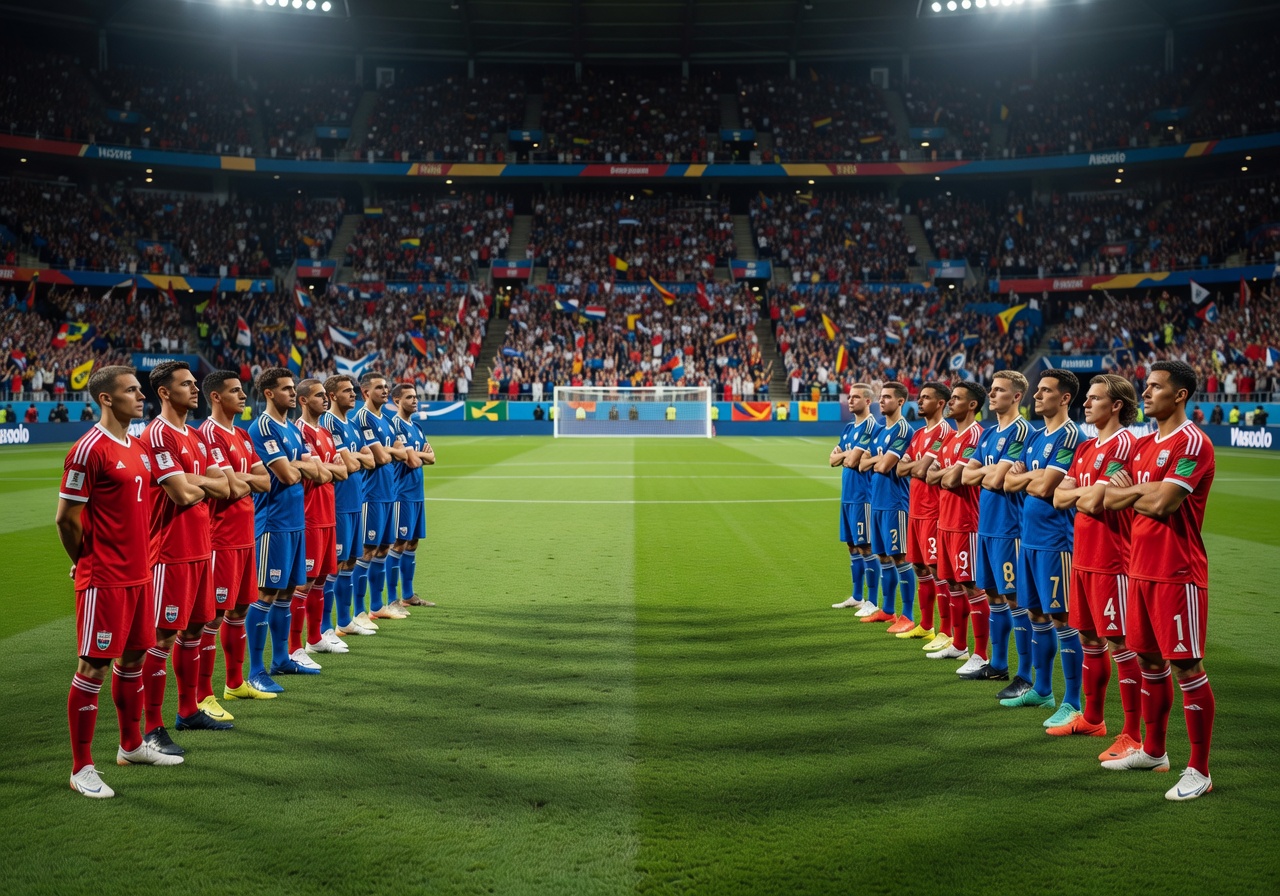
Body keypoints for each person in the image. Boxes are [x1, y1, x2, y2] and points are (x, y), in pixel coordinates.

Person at [58, 366, 182, 799]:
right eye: (131, 390)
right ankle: (81, 767)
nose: (140, 396)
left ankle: (131, 746)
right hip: (105, 578)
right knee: (93, 666)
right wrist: (85, 560)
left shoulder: (139, 448)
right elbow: (66, 518)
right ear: (106, 398)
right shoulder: (88, 449)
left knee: (132, 661)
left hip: (139, 574)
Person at [1102, 360, 1217, 801]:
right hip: (1138, 569)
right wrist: (1136, 493)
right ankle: (1153, 751)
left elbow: (1164, 503)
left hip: (1177, 572)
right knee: (1150, 661)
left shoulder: (1193, 441)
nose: (1145, 393)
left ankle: (1199, 770)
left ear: (1180, 394)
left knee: (1187, 667)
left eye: (1155, 387)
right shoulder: (1143, 444)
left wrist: (1136, 492)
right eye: (1145, 386)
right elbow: (1112, 496)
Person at [141, 360, 234, 755]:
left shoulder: (195, 435)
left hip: (201, 548)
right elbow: (180, 494)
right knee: (162, 637)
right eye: (186, 384)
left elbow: (226, 486)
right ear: (164, 392)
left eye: (196, 383)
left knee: (196, 628)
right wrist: (200, 484)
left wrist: (194, 481)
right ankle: (151, 728)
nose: (195, 389)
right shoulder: (159, 435)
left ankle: (187, 710)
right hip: (170, 553)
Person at [1048, 374, 1140, 746]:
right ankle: (1093, 718)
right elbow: (1058, 497)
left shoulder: (1123, 445)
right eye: (1086, 398)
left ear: (1116, 405)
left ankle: (1132, 734)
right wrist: (1088, 492)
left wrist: (1082, 493)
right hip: (1083, 557)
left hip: (1113, 559)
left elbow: (1090, 501)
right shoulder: (1086, 448)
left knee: (1120, 642)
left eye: (1094, 398)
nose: (1085, 403)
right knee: (1088, 636)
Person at [1001, 369, 1082, 726]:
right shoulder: (1035, 437)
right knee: (1035, 613)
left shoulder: (1070, 436)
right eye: (1037, 390)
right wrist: (1028, 479)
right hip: (1029, 538)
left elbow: (1047, 486)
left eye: (1045, 391)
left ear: (1065, 398)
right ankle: (1043, 690)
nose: (1036, 396)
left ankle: (1073, 702)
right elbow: (1008, 481)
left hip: (1056, 541)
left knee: (1061, 617)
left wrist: (1027, 479)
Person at [247, 367, 326, 693]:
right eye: (286, 389)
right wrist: (299, 467)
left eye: (294, 388)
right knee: (265, 593)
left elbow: (318, 471)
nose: (292, 394)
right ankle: (255, 670)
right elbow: (289, 476)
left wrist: (296, 466)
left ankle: (281, 658)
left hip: (296, 522)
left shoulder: (293, 429)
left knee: (283, 594)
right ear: (268, 393)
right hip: (273, 524)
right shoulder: (263, 426)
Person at [198, 371, 273, 709]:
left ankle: (235, 683)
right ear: (216, 396)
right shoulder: (208, 435)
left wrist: (239, 479)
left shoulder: (241, 433)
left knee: (240, 609)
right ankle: (203, 695)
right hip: (220, 538)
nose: (244, 396)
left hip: (246, 535)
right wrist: (242, 480)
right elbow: (228, 487)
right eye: (235, 391)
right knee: (212, 617)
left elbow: (266, 481)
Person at [962, 371, 1032, 683]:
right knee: (992, 594)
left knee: (1015, 598)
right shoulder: (989, 434)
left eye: (999, 390)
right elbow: (966, 476)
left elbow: (993, 479)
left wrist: (988, 472)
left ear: (1016, 396)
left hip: (1010, 528)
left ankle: (1025, 673)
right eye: (991, 390)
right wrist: (992, 471)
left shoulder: (1020, 431)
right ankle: (998, 664)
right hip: (986, 526)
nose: (992, 395)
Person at [926, 381, 989, 671]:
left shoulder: (976, 435)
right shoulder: (951, 438)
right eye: (950, 398)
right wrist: (946, 473)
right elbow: (930, 475)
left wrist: (946, 473)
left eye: (956, 398)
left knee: (972, 587)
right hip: (945, 521)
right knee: (952, 582)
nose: (950, 402)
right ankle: (959, 646)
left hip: (966, 522)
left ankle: (981, 654)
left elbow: (951, 479)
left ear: (972, 405)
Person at [293, 378, 348, 662]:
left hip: (328, 513)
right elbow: (322, 472)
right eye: (318, 396)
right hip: (310, 514)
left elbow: (342, 470)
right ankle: (294, 647)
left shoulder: (325, 432)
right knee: (304, 583)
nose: (325, 399)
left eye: (325, 396)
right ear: (303, 400)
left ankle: (315, 638)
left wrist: (325, 469)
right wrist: (327, 469)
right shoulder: (300, 430)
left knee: (323, 578)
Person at [896, 381, 953, 641]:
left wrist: (914, 465)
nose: (919, 401)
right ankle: (927, 626)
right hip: (915, 511)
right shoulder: (919, 434)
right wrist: (915, 465)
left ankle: (946, 632)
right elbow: (900, 468)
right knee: (920, 568)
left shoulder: (944, 432)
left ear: (940, 403)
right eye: (920, 397)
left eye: (926, 397)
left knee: (937, 571)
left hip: (933, 512)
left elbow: (919, 470)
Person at [320, 375, 376, 639]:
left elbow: (371, 459)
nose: (353, 394)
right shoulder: (329, 422)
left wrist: (355, 458)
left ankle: (344, 621)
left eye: (353, 390)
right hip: (338, 503)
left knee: (351, 561)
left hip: (356, 501)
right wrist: (356, 458)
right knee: (335, 565)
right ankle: (324, 628)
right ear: (332, 395)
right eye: (346, 391)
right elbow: (351, 464)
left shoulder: (351, 424)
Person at [354, 371, 411, 625]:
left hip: (390, 493)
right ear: (366, 392)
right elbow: (383, 457)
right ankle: (358, 612)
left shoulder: (387, 419)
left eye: (387, 387)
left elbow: (402, 453)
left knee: (383, 549)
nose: (386, 391)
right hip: (372, 494)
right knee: (367, 550)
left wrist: (391, 451)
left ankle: (377, 607)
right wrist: (392, 451)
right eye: (379, 388)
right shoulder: (363, 418)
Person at [857, 382, 916, 628]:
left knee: (900, 557)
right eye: (881, 397)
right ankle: (888, 610)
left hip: (895, 504)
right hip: (877, 502)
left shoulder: (904, 430)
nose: (882, 401)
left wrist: (876, 460)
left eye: (888, 397)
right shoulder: (880, 432)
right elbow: (861, 463)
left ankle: (908, 616)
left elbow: (881, 466)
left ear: (900, 402)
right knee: (882, 556)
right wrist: (878, 459)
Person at [390, 382, 436, 609]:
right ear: (397, 401)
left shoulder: (416, 427)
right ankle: (391, 599)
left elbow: (432, 457)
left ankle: (408, 595)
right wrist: (419, 455)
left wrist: (417, 455)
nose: (415, 400)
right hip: (401, 494)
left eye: (416, 397)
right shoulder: (395, 426)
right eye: (409, 397)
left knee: (413, 543)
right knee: (398, 543)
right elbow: (416, 460)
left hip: (417, 493)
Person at [830, 384, 877, 610]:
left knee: (865, 546)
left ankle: (872, 600)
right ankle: (857, 596)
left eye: (856, 397)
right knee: (851, 545)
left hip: (863, 497)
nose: (850, 401)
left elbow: (848, 461)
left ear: (868, 401)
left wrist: (846, 455)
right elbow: (832, 459)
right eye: (849, 397)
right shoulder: (849, 428)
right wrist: (849, 455)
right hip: (847, 496)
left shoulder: (870, 427)